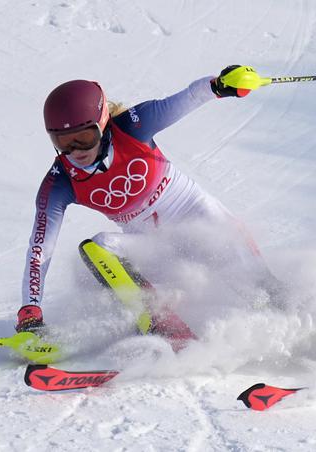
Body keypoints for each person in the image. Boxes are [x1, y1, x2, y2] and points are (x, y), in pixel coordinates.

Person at [15, 66, 283, 340]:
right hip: (156, 250)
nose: (76, 152)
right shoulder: (60, 182)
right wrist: (30, 310)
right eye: (63, 142)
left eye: (84, 138)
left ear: (103, 123)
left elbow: (189, 97)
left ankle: (306, 320)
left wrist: (219, 85)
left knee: (258, 287)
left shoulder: (133, 126)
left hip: (198, 218)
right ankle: (166, 328)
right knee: (98, 248)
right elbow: (40, 249)